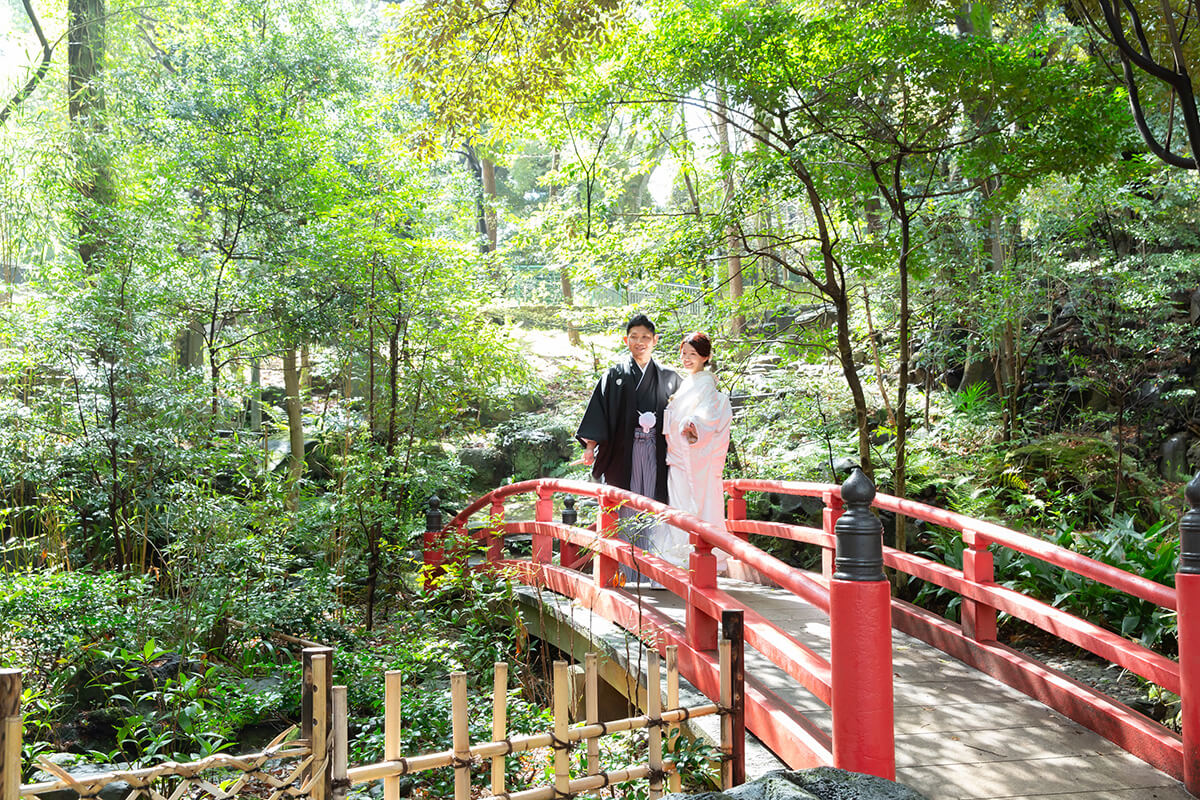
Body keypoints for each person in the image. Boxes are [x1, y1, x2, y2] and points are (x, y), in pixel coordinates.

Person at [576, 314, 681, 585]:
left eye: (645, 337)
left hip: (659, 454)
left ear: (655, 340)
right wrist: (590, 448)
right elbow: (598, 412)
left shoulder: (670, 378)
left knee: (656, 508)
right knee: (627, 508)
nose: (640, 342)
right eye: (634, 337)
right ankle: (625, 574)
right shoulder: (614, 375)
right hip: (625, 454)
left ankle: (653, 574)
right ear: (626, 340)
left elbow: (686, 414)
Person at [660, 332, 733, 572]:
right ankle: (680, 554)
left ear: (706, 356)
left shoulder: (706, 385)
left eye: (693, 354)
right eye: (683, 354)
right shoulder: (688, 382)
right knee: (680, 506)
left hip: (693, 455)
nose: (687, 358)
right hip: (679, 457)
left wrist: (693, 425)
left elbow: (708, 416)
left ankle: (703, 557)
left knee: (698, 505)